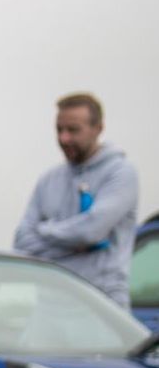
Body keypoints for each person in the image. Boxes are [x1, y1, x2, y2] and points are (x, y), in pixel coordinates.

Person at [13, 92, 140, 306]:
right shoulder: (48, 179)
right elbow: (22, 241)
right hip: (51, 303)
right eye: (59, 130)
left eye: (73, 130)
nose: (64, 138)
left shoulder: (121, 173)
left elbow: (90, 232)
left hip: (102, 304)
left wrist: (45, 229)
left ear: (98, 128)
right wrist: (74, 241)